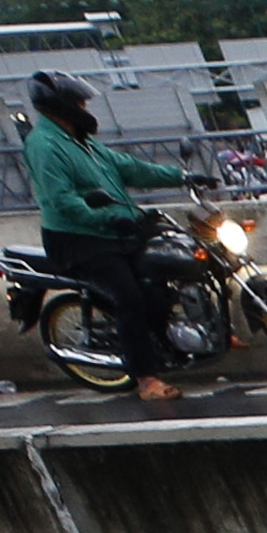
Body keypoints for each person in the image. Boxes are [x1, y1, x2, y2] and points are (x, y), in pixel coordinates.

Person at [23, 69, 205, 405]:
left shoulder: (82, 140)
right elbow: (62, 201)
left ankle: (184, 341)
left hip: (113, 229)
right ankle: (146, 379)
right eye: (79, 100)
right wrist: (107, 216)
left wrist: (183, 177)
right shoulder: (44, 145)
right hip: (79, 239)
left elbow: (129, 168)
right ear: (60, 105)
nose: (85, 105)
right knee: (130, 299)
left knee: (164, 277)